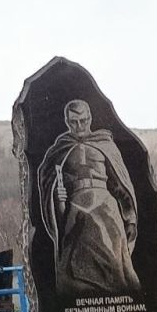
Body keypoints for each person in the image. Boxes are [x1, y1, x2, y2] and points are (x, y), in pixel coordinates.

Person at [37, 99, 140, 294]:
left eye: (83, 121)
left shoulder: (104, 144)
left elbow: (121, 185)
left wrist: (131, 218)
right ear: (67, 122)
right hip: (76, 211)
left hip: (105, 207)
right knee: (72, 265)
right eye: (74, 122)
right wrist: (57, 198)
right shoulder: (60, 150)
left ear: (90, 118)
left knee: (114, 262)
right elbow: (47, 183)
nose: (79, 126)